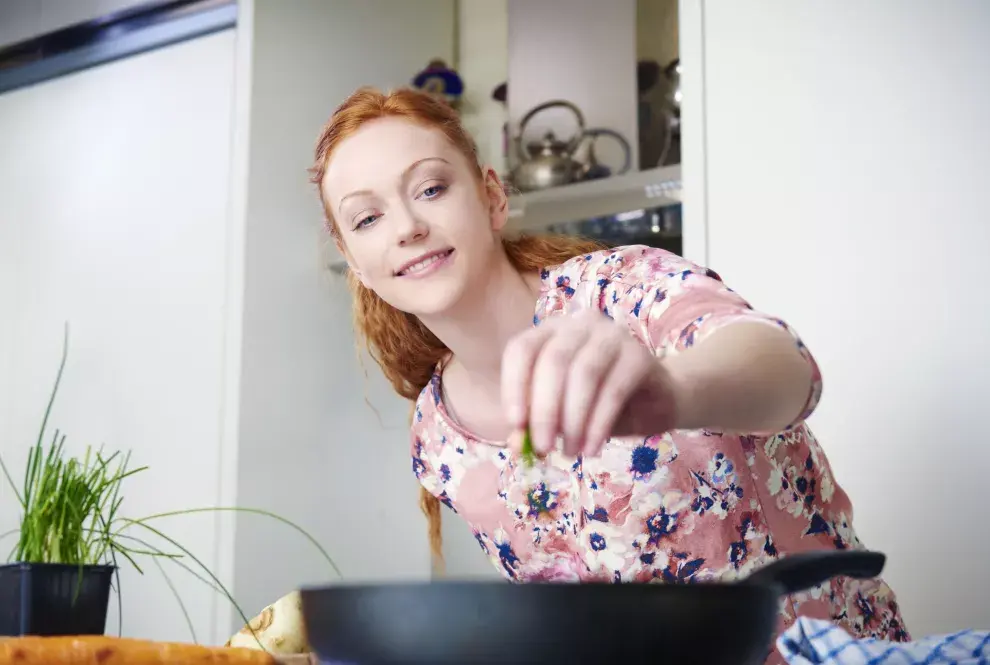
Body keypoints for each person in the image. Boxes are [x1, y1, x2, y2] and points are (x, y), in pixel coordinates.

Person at [309, 86, 909, 661]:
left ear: (492, 197)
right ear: (355, 264)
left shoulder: (621, 290)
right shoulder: (437, 437)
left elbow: (785, 370)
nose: (407, 226)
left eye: (432, 188)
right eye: (366, 219)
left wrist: (672, 392)